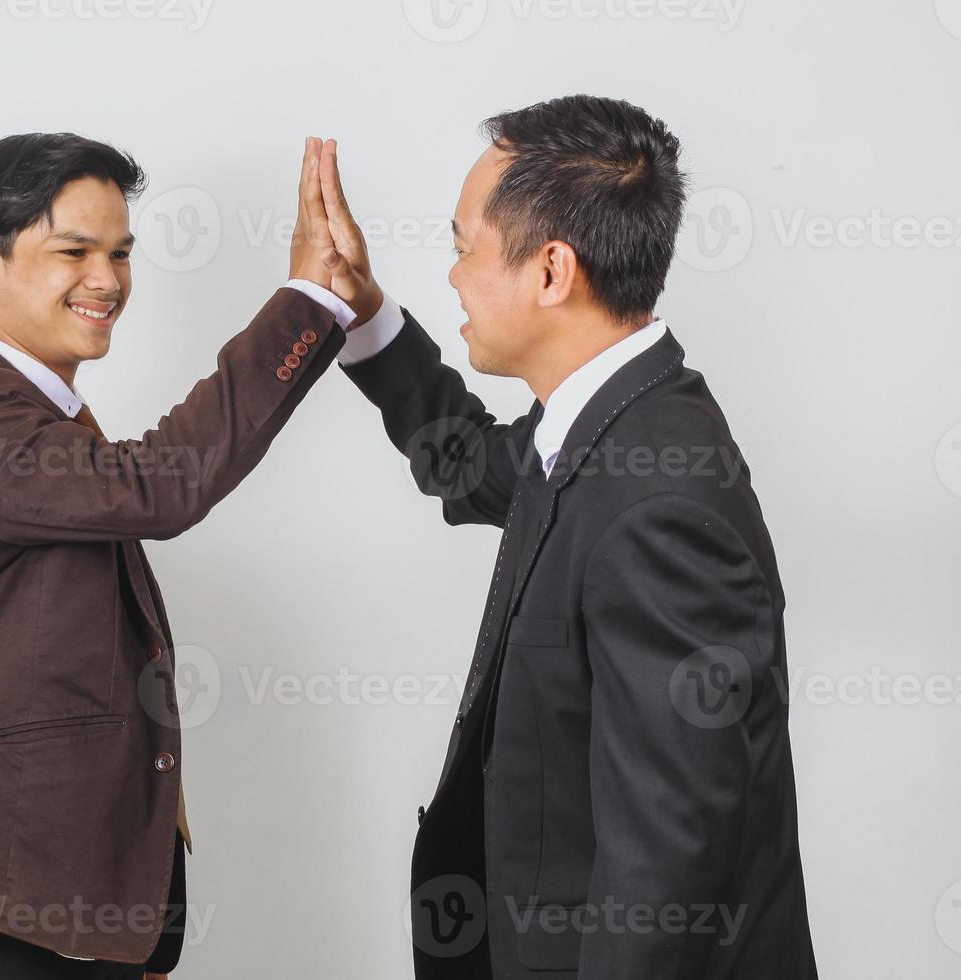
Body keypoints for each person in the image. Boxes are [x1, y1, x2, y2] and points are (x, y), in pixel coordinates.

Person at [313, 96, 818, 978]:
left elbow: (667, 867)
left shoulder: (662, 504)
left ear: (551, 271)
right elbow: (466, 464)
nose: (455, 275)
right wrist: (363, 315)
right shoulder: (605, 424)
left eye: (464, 244)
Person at [0, 133, 362, 978]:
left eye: (121, 251)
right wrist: (308, 300)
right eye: (75, 251)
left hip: (65, 905)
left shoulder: (38, 417)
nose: (108, 279)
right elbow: (159, 486)